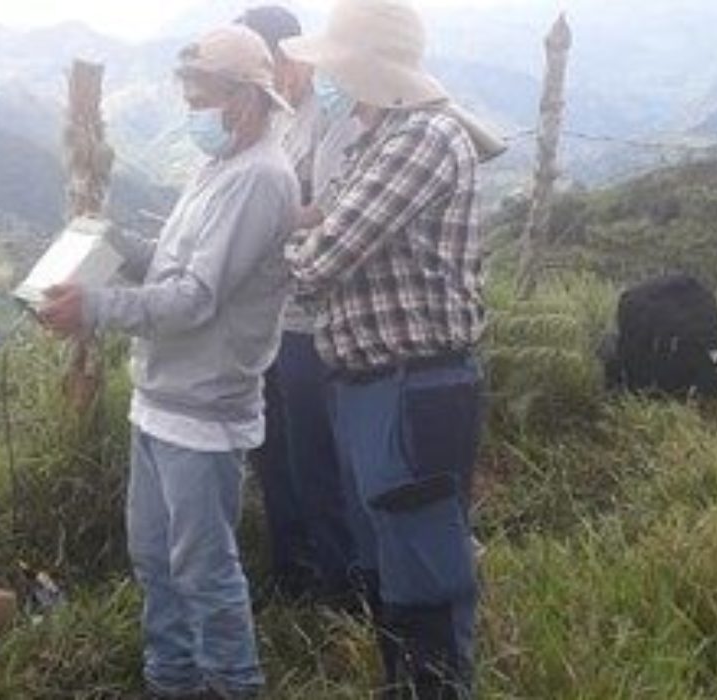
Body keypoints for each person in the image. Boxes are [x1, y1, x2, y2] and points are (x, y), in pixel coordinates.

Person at [37, 25, 300, 699]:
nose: (192, 111)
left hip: (204, 410)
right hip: (159, 400)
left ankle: (231, 684)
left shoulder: (262, 179)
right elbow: (176, 262)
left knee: (204, 567)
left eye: (201, 96)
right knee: (155, 557)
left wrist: (94, 307)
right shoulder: (219, 167)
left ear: (245, 97)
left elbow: (194, 299)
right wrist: (119, 245)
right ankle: (172, 678)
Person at [281, 0, 489, 696]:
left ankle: (434, 687)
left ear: (364, 68)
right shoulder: (378, 137)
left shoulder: (419, 139)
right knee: (385, 558)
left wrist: (279, 241)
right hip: (370, 384)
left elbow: (320, 258)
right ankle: (402, 682)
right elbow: (320, 223)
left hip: (412, 385)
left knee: (423, 565)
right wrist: (303, 229)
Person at [234, 4, 366, 610]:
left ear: (293, 55)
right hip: (270, 316)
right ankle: (292, 568)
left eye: (274, 64)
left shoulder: (332, 120)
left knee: (316, 453)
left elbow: (333, 217)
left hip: (312, 319)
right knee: (273, 449)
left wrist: (264, 228)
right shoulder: (278, 122)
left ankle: (339, 584)